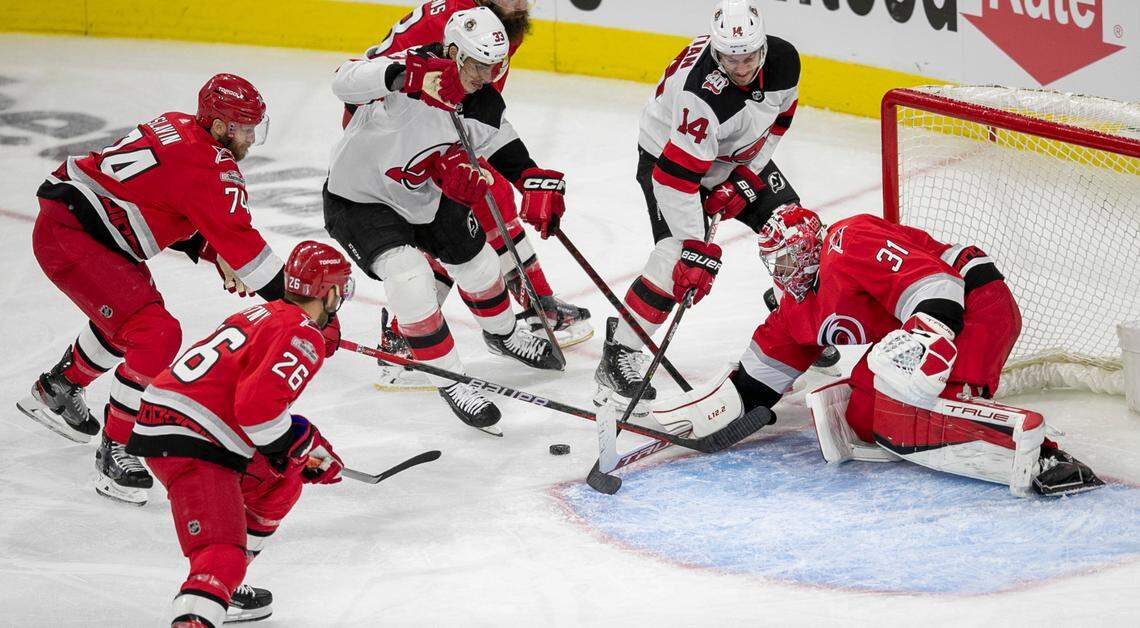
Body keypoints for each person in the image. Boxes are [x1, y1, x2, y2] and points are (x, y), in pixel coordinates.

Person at [16, 74, 288, 506]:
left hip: (84, 228)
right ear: (219, 127)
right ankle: (117, 450)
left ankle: (59, 389)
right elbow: (249, 251)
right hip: (75, 237)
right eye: (244, 127)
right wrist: (301, 307)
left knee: (129, 321)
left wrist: (208, 250)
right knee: (154, 332)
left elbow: (158, 205)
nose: (252, 138)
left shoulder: (178, 124)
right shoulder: (208, 167)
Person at [715, 204, 1103, 496]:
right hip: (923, 325)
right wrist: (719, 410)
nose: (786, 271)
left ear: (813, 245)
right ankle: (917, 417)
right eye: (777, 263)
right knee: (864, 414)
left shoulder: (848, 240)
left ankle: (1047, 457)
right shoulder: (796, 304)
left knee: (923, 397)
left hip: (975, 307)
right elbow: (762, 372)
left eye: (791, 258)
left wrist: (924, 339)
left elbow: (937, 286)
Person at [324, 6, 561, 432]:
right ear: (452, 51)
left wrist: (527, 175)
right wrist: (401, 76)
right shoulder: (410, 66)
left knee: (481, 265)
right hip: (361, 197)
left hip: (424, 193)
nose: (486, 77)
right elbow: (342, 79)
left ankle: (504, 335)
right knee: (410, 277)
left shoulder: (484, 97)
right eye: (477, 65)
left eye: (495, 67)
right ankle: (452, 379)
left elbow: (490, 135)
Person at [593, 0, 802, 414]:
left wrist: (749, 174)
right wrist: (695, 246)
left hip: (733, 153)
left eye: (747, 57)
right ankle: (620, 350)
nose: (740, 67)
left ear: (761, 46)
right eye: (728, 58)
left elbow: (780, 120)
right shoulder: (702, 96)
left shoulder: (784, 60)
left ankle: (797, 321)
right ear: (715, 52)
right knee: (677, 260)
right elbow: (675, 180)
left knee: (796, 231)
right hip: (669, 160)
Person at [127, 241, 351, 627]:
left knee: (281, 482)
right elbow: (257, 413)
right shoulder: (304, 334)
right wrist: (301, 443)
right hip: (193, 437)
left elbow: (255, 409)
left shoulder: (261, 313)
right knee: (221, 556)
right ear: (329, 292)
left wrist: (303, 448)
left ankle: (225, 592)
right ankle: (208, 596)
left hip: (175, 421)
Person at [356, 0, 593, 365]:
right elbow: (378, 81)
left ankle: (535, 304)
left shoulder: (501, 19)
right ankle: (403, 339)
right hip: (389, 130)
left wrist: (523, 170)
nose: (520, 2)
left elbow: (481, 105)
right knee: (459, 217)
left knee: (490, 197)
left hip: (435, 122)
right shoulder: (460, 23)